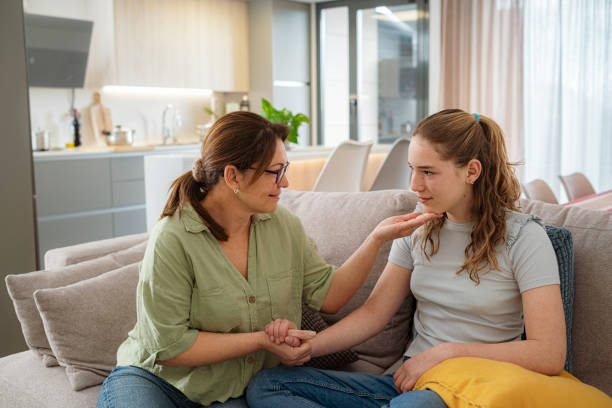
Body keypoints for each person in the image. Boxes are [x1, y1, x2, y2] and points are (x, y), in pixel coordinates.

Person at [96, 111, 439, 408]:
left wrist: (375, 238)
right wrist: (261, 340)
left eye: (284, 168)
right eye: (275, 172)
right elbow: (169, 347)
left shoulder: (282, 225)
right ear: (232, 177)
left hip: (227, 391)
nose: (285, 182)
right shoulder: (173, 238)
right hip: (155, 379)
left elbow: (329, 296)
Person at [246, 109, 567, 408]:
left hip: (471, 388)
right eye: (413, 170)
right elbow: (373, 313)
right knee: (267, 386)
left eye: (428, 172)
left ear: (471, 171)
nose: (415, 186)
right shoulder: (419, 225)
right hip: (405, 383)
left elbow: (549, 353)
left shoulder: (524, 238)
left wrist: (445, 354)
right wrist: (309, 348)